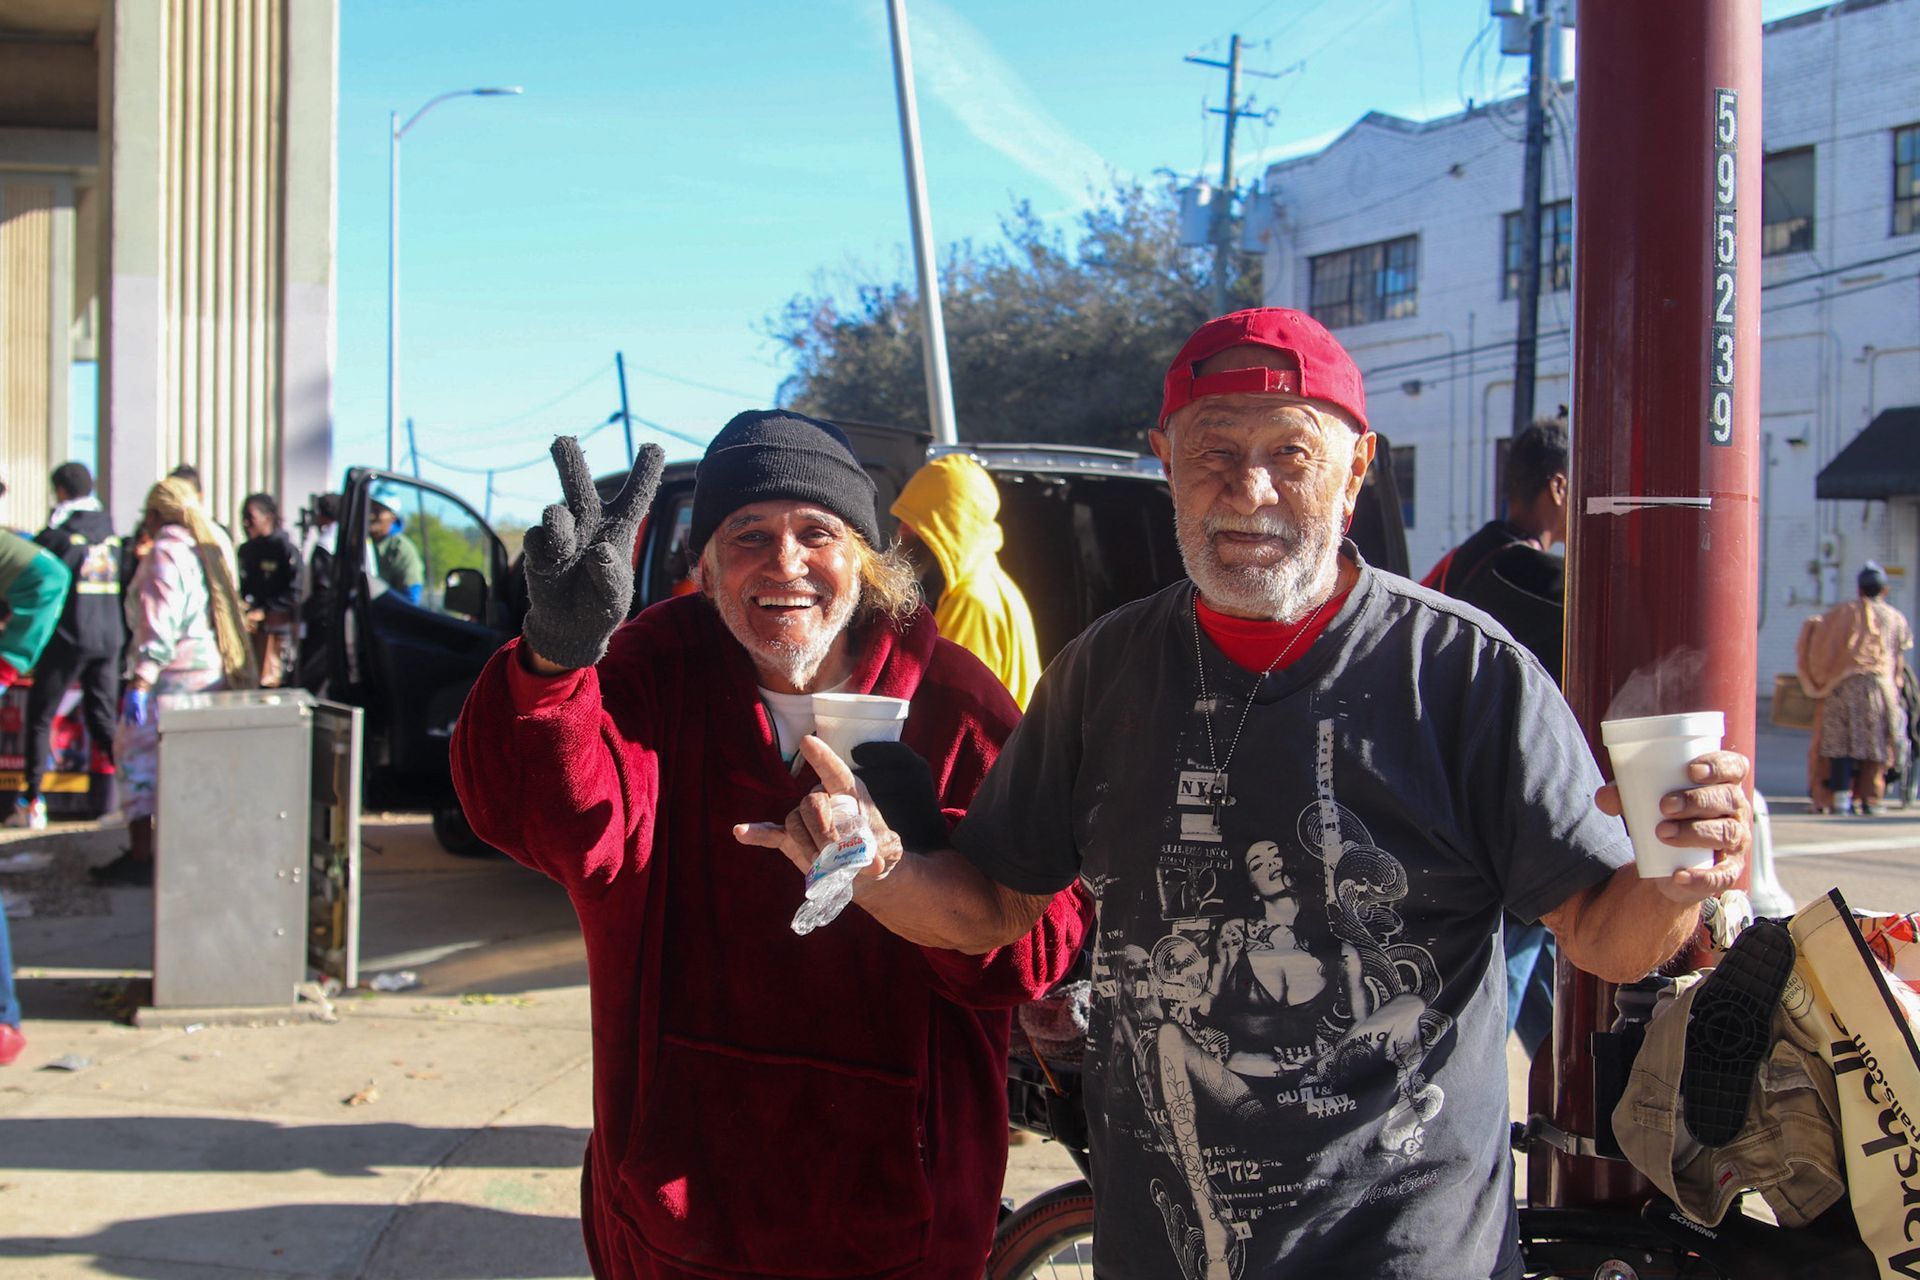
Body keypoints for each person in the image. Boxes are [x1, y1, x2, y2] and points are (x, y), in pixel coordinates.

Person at [741, 308, 1753, 1280]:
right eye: (1214, 452)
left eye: (1292, 454)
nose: (1249, 489)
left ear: (1356, 470)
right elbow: (989, 906)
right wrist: (876, 865)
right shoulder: (1104, 671)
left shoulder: (1462, 673)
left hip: (1407, 1251)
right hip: (1166, 1248)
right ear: (1166, 461)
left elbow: (1601, 935)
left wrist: (1676, 878)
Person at [450, 412, 1089, 1279]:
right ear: (705, 568)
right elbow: (541, 819)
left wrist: (925, 857)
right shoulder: (653, 673)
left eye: (816, 532)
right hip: (680, 1208)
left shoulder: (955, 703)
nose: (783, 561)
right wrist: (551, 664)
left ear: (866, 562)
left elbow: (1036, 950)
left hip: (904, 1219)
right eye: (748, 535)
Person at [1422, 418, 1571, 1056]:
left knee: (1550, 1004)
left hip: (1454, 794)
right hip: (1498, 817)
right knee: (1491, 1004)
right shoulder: (1523, 571)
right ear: (1561, 487)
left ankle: (1570, 1093)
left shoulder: (1470, 556)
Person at [91, 477, 257, 887]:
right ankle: (193, 856)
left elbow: (159, 621)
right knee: (195, 765)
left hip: (171, 677)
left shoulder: (166, 551)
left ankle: (142, 856)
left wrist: (142, 680)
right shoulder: (211, 539)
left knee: (136, 759)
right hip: (211, 672)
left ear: (153, 514)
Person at [10, 463, 123, 831]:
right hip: (109, 639)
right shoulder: (111, 533)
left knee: (41, 717)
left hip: (69, 636)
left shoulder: (59, 535)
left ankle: (32, 802)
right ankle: (133, 796)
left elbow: (27, 574)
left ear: (60, 490)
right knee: (104, 721)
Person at [891, 452, 1042, 707]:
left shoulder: (971, 600)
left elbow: (950, 704)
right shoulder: (990, 581)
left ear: (949, 527)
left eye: (916, 521)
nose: (901, 530)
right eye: (903, 519)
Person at [1797, 562, 1913, 816]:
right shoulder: (1895, 618)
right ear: (1884, 590)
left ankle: (1839, 798)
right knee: (1875, 746)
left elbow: (1817, 634)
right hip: (1878, 691)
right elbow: (1898, 661)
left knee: (1839, 744)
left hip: (1840, 689)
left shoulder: (1841, 613)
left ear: (1859, 589)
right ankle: (1871, 799)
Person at [237, 493, 302, 687]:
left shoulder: (286, 550)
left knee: (270, 685)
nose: (245, 523)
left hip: (275, 633)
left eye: (251, 518)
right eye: (243, 517)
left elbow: (294, 593)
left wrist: (264, 611)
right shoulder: (246, 551)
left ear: (268, 517)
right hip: (250, 633)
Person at [368, 499, 423, 603]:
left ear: (392, 517)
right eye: (370, 508)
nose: (371, 515)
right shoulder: (358, 539)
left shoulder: (401, 549)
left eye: (378, 511)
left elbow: (411, 598)